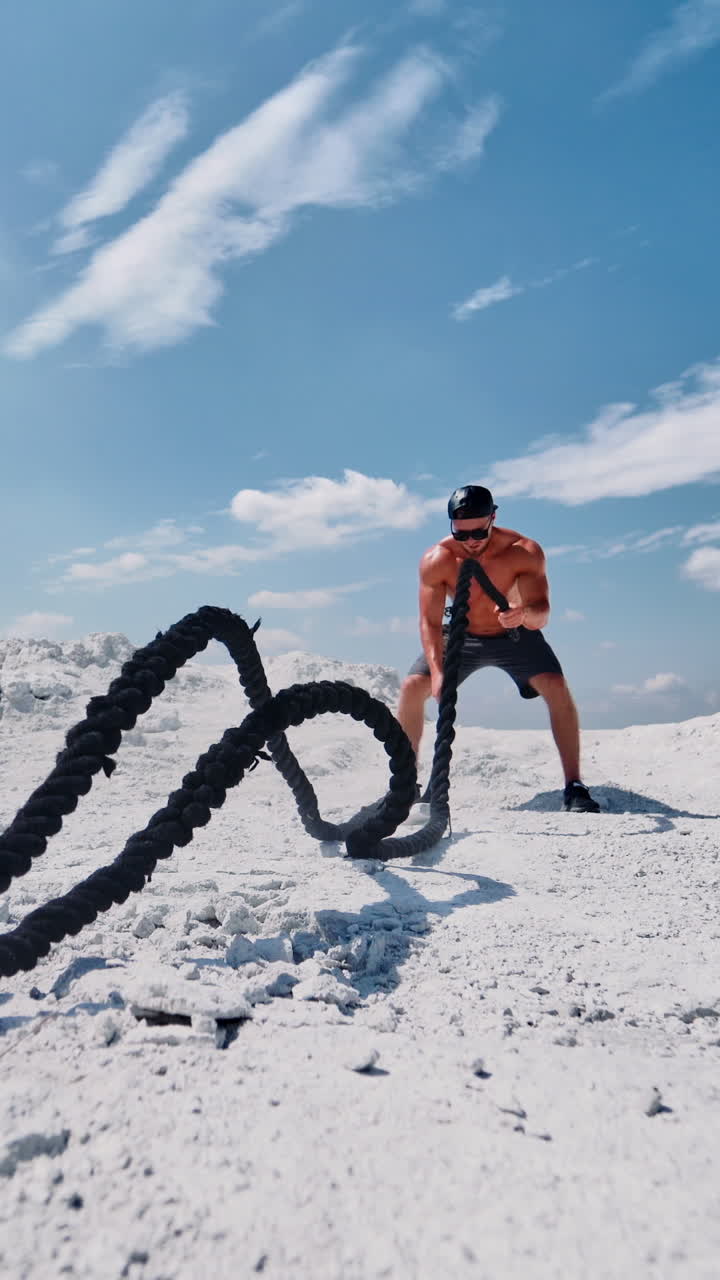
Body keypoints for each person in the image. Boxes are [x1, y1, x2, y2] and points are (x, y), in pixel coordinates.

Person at [397, 484, 600, 813]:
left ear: (493, 517)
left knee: (557, 688)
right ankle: (406, 783)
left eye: (478, 531)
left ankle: (574, 785)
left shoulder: (524, 551)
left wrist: (523, 614)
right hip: (462, 636)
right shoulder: (439, 559)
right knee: (411, 688)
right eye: (462, 534)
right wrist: (437, 674)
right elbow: (429, 623)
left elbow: (542, 614)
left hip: (516, 635)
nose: (471, 541)